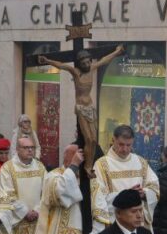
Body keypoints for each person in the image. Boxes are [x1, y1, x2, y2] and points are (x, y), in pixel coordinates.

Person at [39, 45, 125, 177]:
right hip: (80, 108)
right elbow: (62, 65)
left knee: (94, 140)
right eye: (83, 63)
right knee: (88, 138)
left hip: (90, 107)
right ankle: (87, 166)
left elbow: (104, 60)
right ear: (79, 64)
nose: (86, 64)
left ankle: (89, 164)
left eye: (87, 62)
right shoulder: (76, 72)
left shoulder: (92, 69)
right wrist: (47, 61)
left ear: (90, 61)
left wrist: (117, 52)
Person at [91, 125, 160, 234]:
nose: (125, 149)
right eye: (121, 144)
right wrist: (128, 194)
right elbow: (98, 198)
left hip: (139, 224)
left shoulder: (140, 162)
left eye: (129, 145)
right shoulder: (102, 165)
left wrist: (144, 193)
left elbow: (154, 187)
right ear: (113, 140)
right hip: (115, 224)